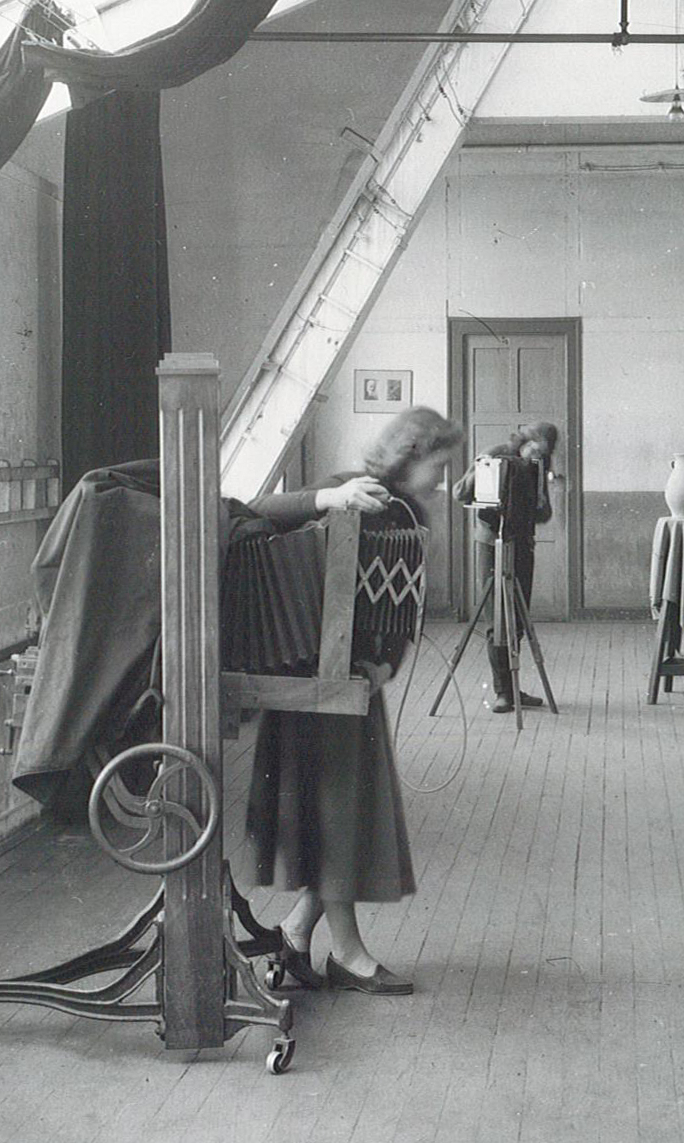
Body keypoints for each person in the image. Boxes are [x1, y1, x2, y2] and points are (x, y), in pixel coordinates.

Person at [242, 406, 463, 996]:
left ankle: (295, 934)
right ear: (408, 456)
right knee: (338, 818)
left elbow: (404, 602)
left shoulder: (411, 513)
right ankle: (348, 953)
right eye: (438, 467)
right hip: (310, 683)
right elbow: (251, 513)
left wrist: (388, 663)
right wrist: (324, 503)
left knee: (342, 817)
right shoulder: (346, 486)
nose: (443, 480)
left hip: (356, 687)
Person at [452, 421, 558, 714]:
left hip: (523, 544)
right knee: (497, 617)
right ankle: (501, 691)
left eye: (544, 451)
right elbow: (460, 492)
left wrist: (535, 495)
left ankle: (511, 689)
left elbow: (544, 513)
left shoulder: (539, 464)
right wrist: (486, 476)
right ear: (526, 439)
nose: (538, 453)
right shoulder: (494, 454)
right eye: (536, 446)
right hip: (491, 545)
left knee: (519, 618)